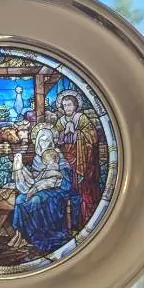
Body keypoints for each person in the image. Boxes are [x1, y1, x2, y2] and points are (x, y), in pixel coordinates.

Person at [10, 137, 80, 254]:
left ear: (51, 141)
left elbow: (59, 183)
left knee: (35, 200)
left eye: (46, 140)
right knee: (20, 199)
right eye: (41, 140)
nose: (44, 143)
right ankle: (23, 234)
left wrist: (35, 189)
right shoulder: (38, 160)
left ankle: (39, 234)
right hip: (40, 189)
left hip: (57, 192)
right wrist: (20, 169)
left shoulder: (57, 158)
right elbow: (35, 179)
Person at [53, 91, 100, 222]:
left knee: (82, 189)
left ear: (75, 105)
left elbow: (93, 136)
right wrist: (63, 133)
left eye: (69, 105)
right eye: (64, 105)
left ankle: (82, 220)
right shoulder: (61, 121)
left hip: (82, 159)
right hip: (65, 159)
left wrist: (76, 132)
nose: (67, 108)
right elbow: (55, 139)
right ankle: (67, 221)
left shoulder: (82, 118)